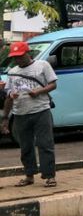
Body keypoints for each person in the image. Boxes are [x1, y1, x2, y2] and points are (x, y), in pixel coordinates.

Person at [0, 41, 58, 187]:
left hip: (41, 111)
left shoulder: (42, 65)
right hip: (20, 114)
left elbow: (53, 84)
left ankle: (49, 176)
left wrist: (38, 91)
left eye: (20, 56)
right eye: (15, 57)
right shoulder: (13, 72)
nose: (17, 59)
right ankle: (29, 175)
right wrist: (5, 117)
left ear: (28, 53)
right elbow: (8, 95)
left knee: (45, 144)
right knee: (25, 146)